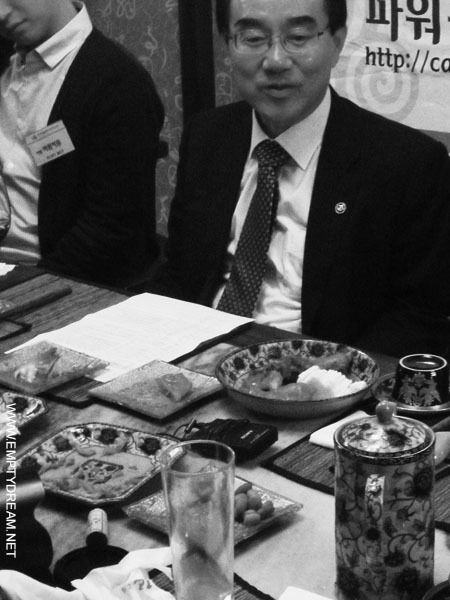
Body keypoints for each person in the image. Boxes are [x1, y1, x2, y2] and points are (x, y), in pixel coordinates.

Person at [152, 0, 450, 358]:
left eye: (298, 37)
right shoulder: (208, 136)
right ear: (227, 44)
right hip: (198, 355)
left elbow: (419, 318)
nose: (276, 61)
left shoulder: (405, 163)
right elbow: (181, 274)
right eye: (253, 38)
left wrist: (321, 375)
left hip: (321, 371)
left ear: (337, 42)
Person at [0, 0, 164, 288]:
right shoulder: (5, 62)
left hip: (56, 279)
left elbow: (110, 232)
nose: (1, 13)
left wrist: (27, 287)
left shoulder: (118, 82)